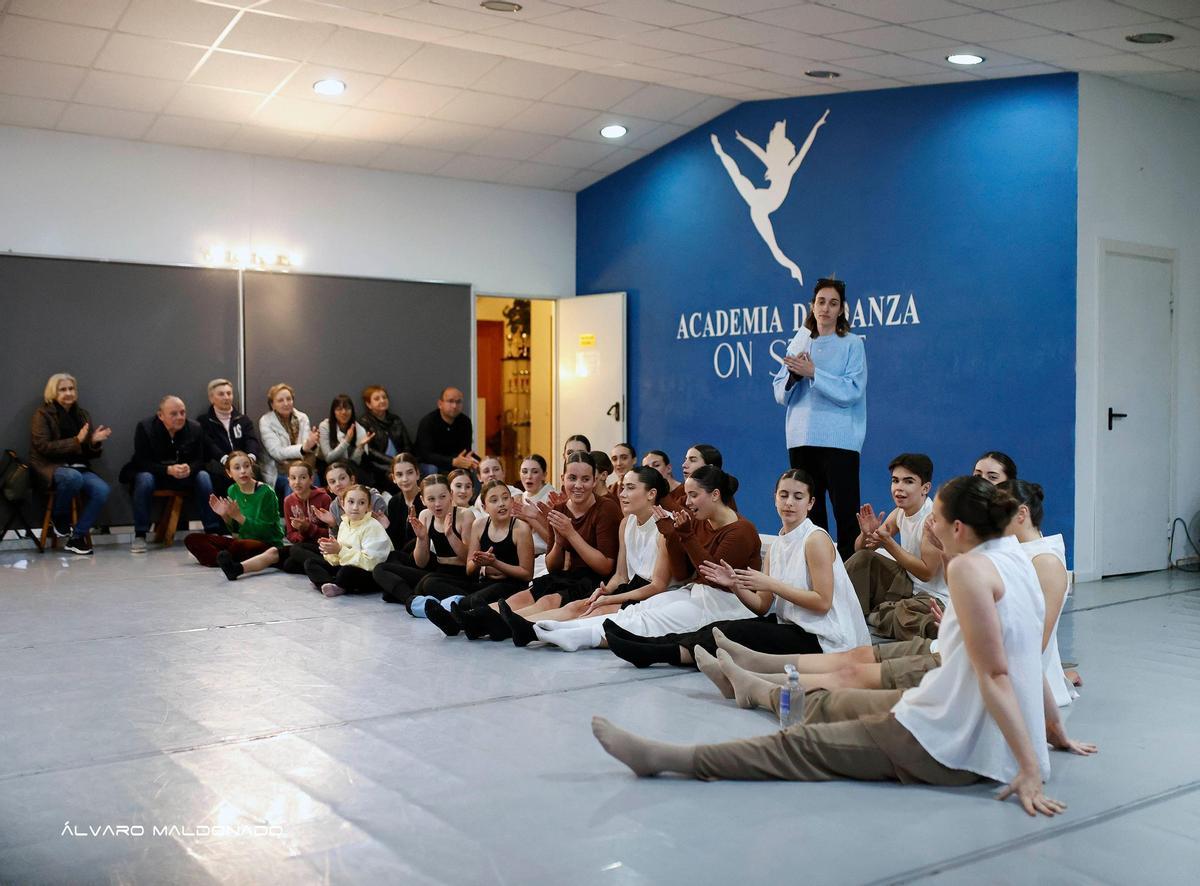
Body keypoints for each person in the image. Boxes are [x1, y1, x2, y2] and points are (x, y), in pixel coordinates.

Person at [592, 476, 1097, 818]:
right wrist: (1051, 731)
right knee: (840, 700)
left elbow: (998, 675)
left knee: (801, 748)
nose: (932, 525)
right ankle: (757, 686)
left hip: (956, 741)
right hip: (953, 709)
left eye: (937, 517)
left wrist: (1030, 768)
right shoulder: (1021, 557)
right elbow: (1029, 656)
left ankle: (669, 757)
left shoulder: (967, 568)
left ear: (958, 529)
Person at [704, 477, 1080, 706]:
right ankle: (753, 666)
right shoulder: (1010, 553)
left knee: (852, 680)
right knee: (859, 654)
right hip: (951, 647)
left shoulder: (1042, 562)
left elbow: (1029, 648)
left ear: (1022, 514)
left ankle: (760, 687)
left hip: (965, 664)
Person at [603, 469, 869, 668]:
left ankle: (655, 652)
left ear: (810, 503)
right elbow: (762, 606)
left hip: (826, 640)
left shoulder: (816, 539)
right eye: (783, 495)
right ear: (774, 498)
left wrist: (771, 584)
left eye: (798, 497)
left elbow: (822, 603)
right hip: (794, 627)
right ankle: (648, 646)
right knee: (724, 626)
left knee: (736, 633)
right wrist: (735, 586)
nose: (789, 502)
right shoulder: (777, 546)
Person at [584, 465, 764, 656]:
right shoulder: (699, 520)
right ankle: (564, 630)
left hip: (727, 602)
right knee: (638, 610)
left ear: (715, 494)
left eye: (693, 495)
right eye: (687, 495)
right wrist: (671, 536)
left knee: (651, 619)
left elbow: (713, 577)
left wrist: (685, 536)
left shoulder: (741, 530)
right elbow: (682, 574)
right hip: (697, 591)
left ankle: (583, 637)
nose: (687, 501)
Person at [506, 466, 679, 651]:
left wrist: (611, 599)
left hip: (655, 594)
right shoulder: (626, 523)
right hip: (633, 586)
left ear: (651, 494)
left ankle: (536, 631)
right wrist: (604, 591)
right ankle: (517, 625)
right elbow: (621, 575)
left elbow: (658, 586)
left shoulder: (665, 527)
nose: (622, 494)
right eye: (623, 488)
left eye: (630, 488)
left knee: (597, 611)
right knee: (578, 605)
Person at [457, 452, 620, 642]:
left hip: (594, 580)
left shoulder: (606, 508)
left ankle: (500, 626)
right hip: (565, 575)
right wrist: (559, 542)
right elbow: (553, 566)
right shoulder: (559, 509)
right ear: (562, 478)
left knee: (547, 601)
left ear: (594, 481)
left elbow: (605, 567)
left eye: (585, 479)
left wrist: (570, 534)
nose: (578, 485)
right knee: (521, 598)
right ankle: (462, 620)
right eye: (572, 478)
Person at [773, 277, 866, 561]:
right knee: (809, 515)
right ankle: (815, 576)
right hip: (801, 439)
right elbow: (780, 392)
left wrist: (814, 373)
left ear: (841, 310)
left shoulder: (851, 344)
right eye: (821, 302)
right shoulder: (800, 342)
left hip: (840, 441)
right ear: (812, 306)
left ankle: (850, 583)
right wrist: (794, 375)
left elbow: (852, 390)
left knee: (846, 514)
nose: (825, 308)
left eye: (833, 303)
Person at [710, 110, 828, 284]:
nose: (793, 149)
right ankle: (720, 152)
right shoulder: (776, 165)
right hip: (761, 200)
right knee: (737, 176)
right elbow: (758, 152)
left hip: (763, 203)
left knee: (775, 249)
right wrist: (743, 140)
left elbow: (805, 148)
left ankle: (793, 268)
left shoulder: (789, 169)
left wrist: (817, 126)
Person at [846, 453, 947, 641]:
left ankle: (880, 615)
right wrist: (866, 534)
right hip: (908, 587)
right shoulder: (899, 512)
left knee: (907, 617)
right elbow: (861, 551)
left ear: (925, 488)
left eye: (908, 482)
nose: (899, 488)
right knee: (862, 561)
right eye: (895, 481)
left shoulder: (931, 519)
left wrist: (889, 544)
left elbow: (926, 573)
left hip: (934, 598)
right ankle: (856, 614)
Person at [425, 479, 536, 637]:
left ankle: (454, 622)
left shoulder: (521, 528)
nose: (501, 504)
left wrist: (495, 563)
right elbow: (470, 569)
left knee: (474, 599)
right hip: (485, 582)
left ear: (512, 501)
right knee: (432, 582)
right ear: (484, 507)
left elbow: (527, 574)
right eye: (494, 500)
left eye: (505, 498)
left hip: (512, 585)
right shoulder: (479, 525)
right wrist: (478, 563)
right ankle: (465, 616)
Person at [121, 395, 222, 553]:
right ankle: (140, 534)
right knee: (144, 479)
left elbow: (200, 459)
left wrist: (190, 468)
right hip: (156, 474)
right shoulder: (145, 427)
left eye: (183, 412)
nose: (180, 417)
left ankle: (212, 531)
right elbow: (142, 461)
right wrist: (167, 470)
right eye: (174, 414)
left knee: (203, 476)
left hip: (184, 475)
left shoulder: (195, 428)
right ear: (161, 415)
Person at [29, 373, 111, 555]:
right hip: (51, 467)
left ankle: (76, 537)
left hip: (79, 468)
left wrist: (94, 441)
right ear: (53, 392)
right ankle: (59, 518)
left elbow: (88, 452)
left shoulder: (82, 415)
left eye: (71, 389)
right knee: (72, 477)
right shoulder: (42, 414)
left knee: (102, 490)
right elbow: (43, 446)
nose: (68, 393)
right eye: (63, 389)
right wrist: (76, 441)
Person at [372, 473, 474, 612]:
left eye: (442, 497)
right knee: (380, 569)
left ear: (450, 494)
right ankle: (413, 600)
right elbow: (421, 563)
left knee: (426, 584)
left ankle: (414, 596)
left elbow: (469, 560)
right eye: (431, 499)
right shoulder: (425, 515)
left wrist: (450, 535)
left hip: (461, 574)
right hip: (438, 569)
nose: (437, 504)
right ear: (423, 500)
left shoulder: (465, 515)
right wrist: (422, 538)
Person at [224, 460, 331, 581]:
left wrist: (309, 528)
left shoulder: (324, 498)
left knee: (295, 551)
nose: (297, 482)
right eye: (293, 478)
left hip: (323, 546)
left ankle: (329, 568)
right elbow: (290, 535)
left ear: (311, 479)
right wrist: (301, 532)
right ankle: (237, 569)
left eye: (303, 477)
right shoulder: (288, 501)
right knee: (285, 561)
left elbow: (331, 533)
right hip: (303, 545)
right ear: (288, 480)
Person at [184, 451, 283, 568]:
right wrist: (225, 516)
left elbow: (267, 532)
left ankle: (223, 559)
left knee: (241, 546)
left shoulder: (266, 492)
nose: (243, 471)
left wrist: (239, 517)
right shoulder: (232, 490)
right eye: (237, 468)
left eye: (246, 466)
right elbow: (235, 531)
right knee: (192, 539)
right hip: (242, 541)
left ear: (252, 468)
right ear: (229, 473)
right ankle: (225, 560)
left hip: (266, 543)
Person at [303, 485, 393, 597]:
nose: (355, 507)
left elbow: (371, 563)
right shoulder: (344, 523)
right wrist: (331, 551)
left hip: (369, 571)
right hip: (347, 565)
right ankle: (329, 584)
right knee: (311, 562)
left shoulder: (373, 526)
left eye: (361, 503)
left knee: (347, 572)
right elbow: (339, 559)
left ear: (368, 507)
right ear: (342, 504)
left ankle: (334, 583)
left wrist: (340, 550)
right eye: (351, 502)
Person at [258, 383, 319, 502]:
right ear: (272, 404)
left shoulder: (302, 417)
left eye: (289, 399)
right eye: (280, 400)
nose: (286, 403)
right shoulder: (266, 421)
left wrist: (313, 444)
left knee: (313, 479)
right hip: (278, 470)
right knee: (295, 482)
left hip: (303, 466)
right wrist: (303, 448)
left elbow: (309, 447)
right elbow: (277, 452)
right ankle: (293, 518)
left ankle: (315, 517)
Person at [200, 378, 262, 482]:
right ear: (211, 398)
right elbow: (210, 445)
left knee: (255, 472)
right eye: (221, 394)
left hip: (244, 464)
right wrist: (226, 460)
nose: (226, 397)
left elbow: (251, 440)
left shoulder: (243, 419)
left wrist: (250, 457)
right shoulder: (204, 421)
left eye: (229, 393)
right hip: (219, 466)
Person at [359, 385, 412, 488]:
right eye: (377, 399)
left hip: (401, 461)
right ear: (369, 404)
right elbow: (369, 451)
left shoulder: (395, 419)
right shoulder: (364, 422)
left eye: (384, 397)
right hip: (380, 465)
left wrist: (404, 459)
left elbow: (407, 444)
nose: (382, 400)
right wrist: (393, 461)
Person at [414, 387, 474, 476]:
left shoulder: (465, 422)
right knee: (431, 469)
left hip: (456, 462)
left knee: (475, 467)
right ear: (440, 404)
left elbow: (466, 449)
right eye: (450, 401)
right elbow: (425, 454)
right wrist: (452, 461)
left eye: (458, 402)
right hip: (431, 464)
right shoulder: (428, 422)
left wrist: (467, 460)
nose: (454, 406)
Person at [383, 453, 424, 564]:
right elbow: (395, 543)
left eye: (410, 473)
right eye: (399, 475)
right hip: (400, 558)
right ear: (394, 478)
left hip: (422, 558)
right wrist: (387, 526)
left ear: (418, 474)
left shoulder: (427, 500)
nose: (405, 479)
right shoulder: (394, 502)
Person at [318, 394, 370, 472]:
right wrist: (346, 441)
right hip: (330, 469)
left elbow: (355, 462)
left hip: (351, 470)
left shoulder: (359, 429)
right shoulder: (325, 426)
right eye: (339, 409)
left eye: (347, 408)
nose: (344, 412)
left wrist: (360, 447)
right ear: (333, 412)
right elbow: (328, 459)